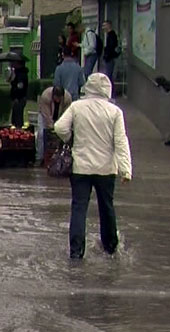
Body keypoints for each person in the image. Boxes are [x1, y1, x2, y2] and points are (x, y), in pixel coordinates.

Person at [54, 73, 132, 260]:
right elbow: (121, 141)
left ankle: (76, 251)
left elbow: (59, 127)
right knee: (107, 207)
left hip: (81, 167)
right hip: (106, 169)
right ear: (107, 89)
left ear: (88, 87)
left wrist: (70, 139)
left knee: (79, 208)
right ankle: (111, 247)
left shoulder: (76, 107)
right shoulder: (114, 112)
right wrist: (125, 169)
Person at [36, 86, 72, 163]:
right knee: (41, 134)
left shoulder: (68, 98)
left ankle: (61, 156)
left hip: (60, 115)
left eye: (60, 98)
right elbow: (46, 115)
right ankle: (39, 157)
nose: (58, 100)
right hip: (44, 114)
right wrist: (52, 127)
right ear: (53, 95)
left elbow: (67, 114)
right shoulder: (45, 96)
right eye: (56, 98)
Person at [8, 60, 29, 128]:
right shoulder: (16, 73)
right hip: (17, 98)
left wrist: (16, 97)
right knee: (15, 117)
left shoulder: (21, 74)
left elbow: (20, 86)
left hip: (19, 98)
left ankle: (18, 131)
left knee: (18, 118)